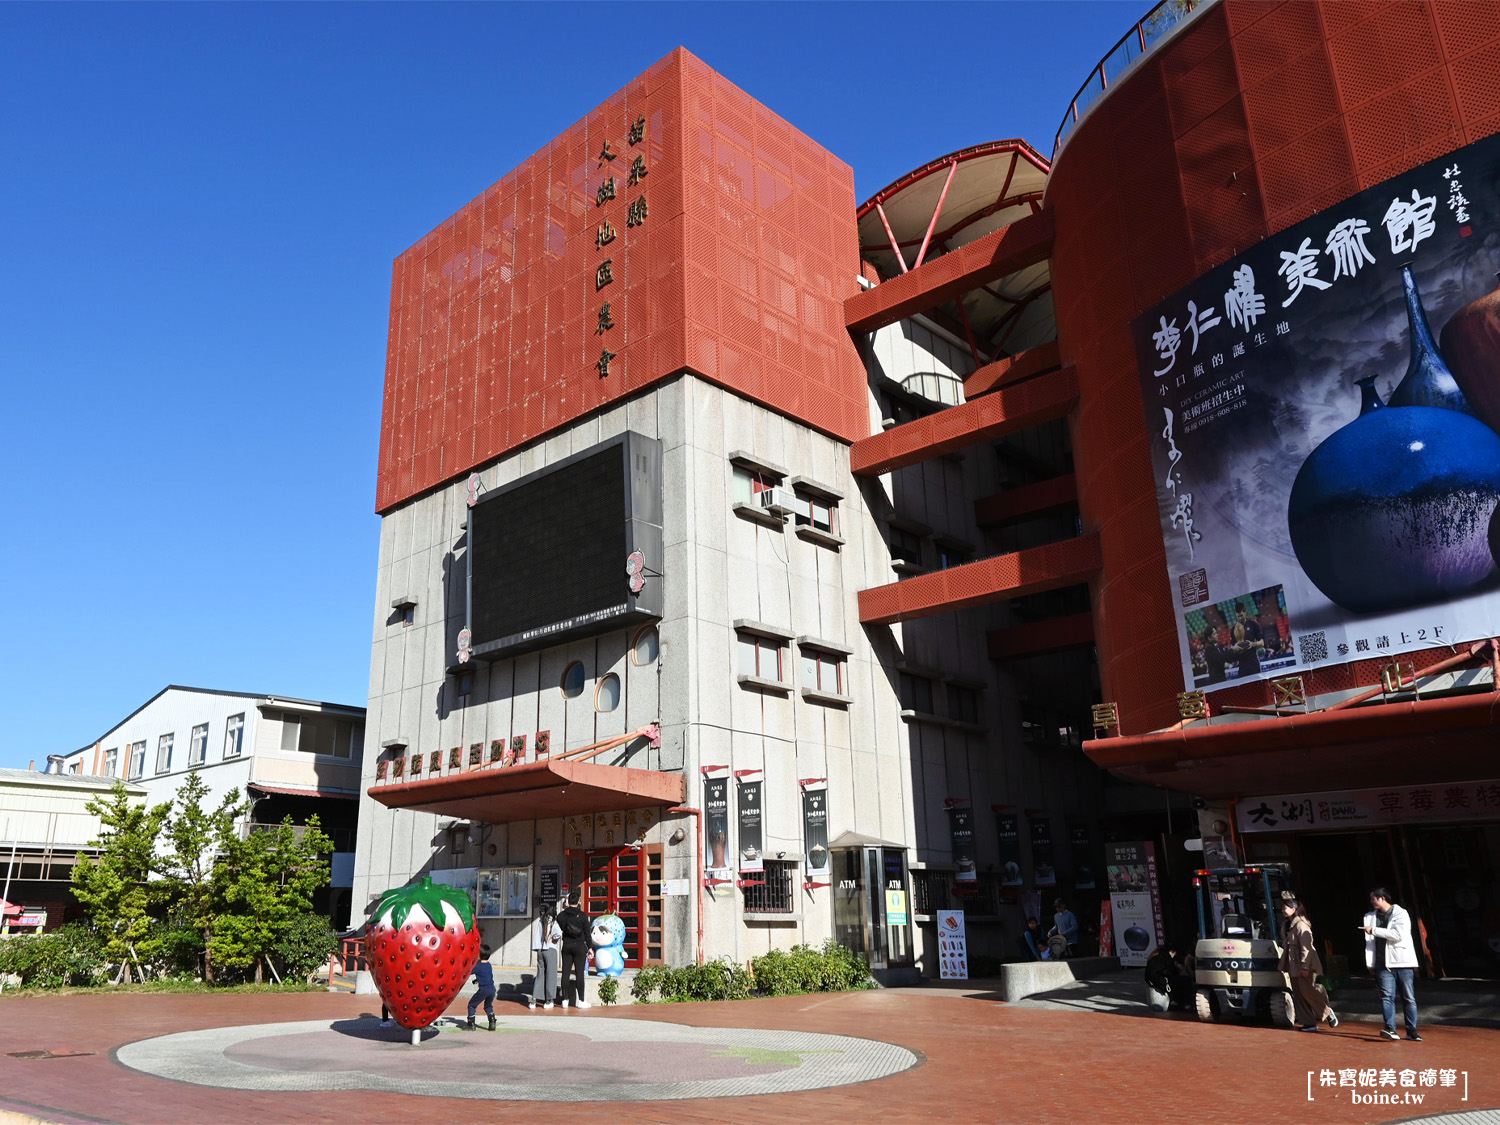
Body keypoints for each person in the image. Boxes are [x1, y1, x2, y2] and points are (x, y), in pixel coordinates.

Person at [1363, 886, 1420, 1041]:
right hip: (1382, 963)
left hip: (1402, 961)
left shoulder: (1401, 914)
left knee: (1408, 997)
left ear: (1382, 898)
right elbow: (1369, 943)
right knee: (1387, 996)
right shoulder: (1370, 917)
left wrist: (1374, 930)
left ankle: (1412, 1030)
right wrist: (1371, 963)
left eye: (1373, 898)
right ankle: (1390, 1028)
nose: (1371, 901)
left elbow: (1398, 935)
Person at [1278, 899, 1338, 1032]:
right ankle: (1308, 1023)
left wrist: (1305, 966)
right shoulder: (1286, 925)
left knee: (1307, 991)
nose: (1283, 910)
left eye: (1286, 907)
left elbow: (1307, 947)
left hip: (1303, 964)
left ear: (1294, 909)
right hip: (1292, 964)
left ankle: (1327, 1012)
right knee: (1298, 995)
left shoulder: (1301, 925)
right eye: (1282, 908)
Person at [556, 890, 592, 1009]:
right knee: (579, 973)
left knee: (565, 972)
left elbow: (558, 927)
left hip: (567, 945)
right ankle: (581, 1000)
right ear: (579, 901)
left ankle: (565, 1000)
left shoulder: (561, 915)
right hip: (580, 946)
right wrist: (590, 948)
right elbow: (587, 933)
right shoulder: (583, 916)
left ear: (567, 901)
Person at [529, 903, 562, 1010]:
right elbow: (559, 933)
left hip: (540, 950)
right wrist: (552, 939)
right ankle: (549, 1000)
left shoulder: (540, 921)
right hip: (550, 949)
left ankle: (534, 999)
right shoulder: (553, 922)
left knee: (540, 974)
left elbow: (537, 936)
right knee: (551, 975)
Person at [1145, 941, 1193, 1011]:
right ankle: (1187, 1004)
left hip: (1151, 980)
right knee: (1185, 980)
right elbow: (1172, 972)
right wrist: (1178, 967)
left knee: (1176, 980)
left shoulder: (1156, 954)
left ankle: (1175, 1002)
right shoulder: (1166, 957)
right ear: (1172, 952)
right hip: (1160, 981)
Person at [467, 944, 496, 1030]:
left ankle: (471, 1024)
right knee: (488, 1006)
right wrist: (477, 980)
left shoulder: (478, 966)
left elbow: (468, 972)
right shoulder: (489, 965)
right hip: (492, 989)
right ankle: (492, 1022)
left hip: (484, 989)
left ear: (478, 956)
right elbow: (486, 975)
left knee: (471, 1005)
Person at [1232, 604, 1264, 678]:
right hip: (1242, 665)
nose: (1240, 618)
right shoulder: (1233, 629)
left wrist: (1252, 644)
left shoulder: (1253, 624)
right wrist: (1235, 649)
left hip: (1253, 663)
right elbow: (1232, 647)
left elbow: (1262, 643)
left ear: (1245, 612)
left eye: (1241, 615)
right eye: (1238, 616)